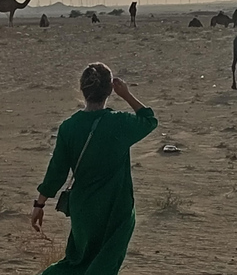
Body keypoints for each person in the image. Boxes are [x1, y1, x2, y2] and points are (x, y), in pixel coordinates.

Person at [31, 63, 158, 274]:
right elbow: (149, 120)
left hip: (84, 210)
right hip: (116, 210)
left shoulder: (69, 127)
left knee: (76, 263)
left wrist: (39, 204)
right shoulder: (119, 123)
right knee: (103, 266)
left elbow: (57, 172)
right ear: (110, 90)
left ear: (82, 90)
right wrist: (126, 94)